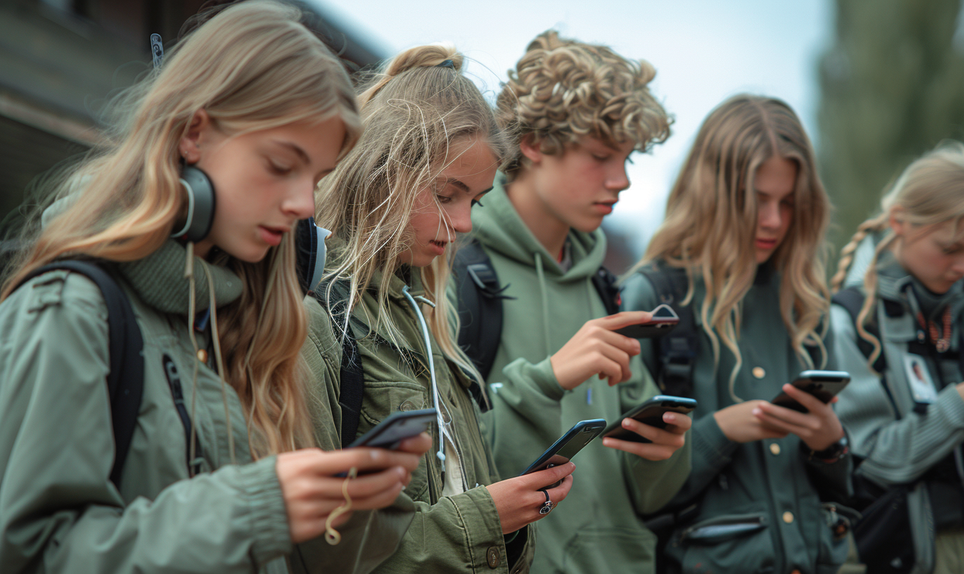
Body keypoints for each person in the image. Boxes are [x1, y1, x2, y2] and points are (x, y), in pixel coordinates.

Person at [0, 2, 429, 573]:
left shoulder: (243, 318)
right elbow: (33, 554)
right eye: (281, 165)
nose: (304, 204)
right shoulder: (69, 310)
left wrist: (340, 501)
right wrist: (253, 510)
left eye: (317, 178)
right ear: (194, 133)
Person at [306, 44, 575, 574]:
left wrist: (507, 524)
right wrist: (484, 519)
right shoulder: (316, 313)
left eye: (473, 201)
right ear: (381, 171)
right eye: (447, 194)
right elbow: (323, 544)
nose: (467, 223)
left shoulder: (428, 312)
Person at [461, 31, 691, 574]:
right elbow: (450, 475)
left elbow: (653, 496)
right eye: (600, 156)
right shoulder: (456, 268)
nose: (623, 180)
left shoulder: (603, 286)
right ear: (534, 142)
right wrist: (548, 380)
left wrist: (664, 451)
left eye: (629, 157)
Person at [620, 94, 853, 573]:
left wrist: (832, 445)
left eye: (788, 203)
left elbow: (840, 491)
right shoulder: (651, 296)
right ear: (713, 193)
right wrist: (721, 430)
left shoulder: (808, 303)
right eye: (757, 200)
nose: (773, 221)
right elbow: (632, 490)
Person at [831, 143, 964, 574]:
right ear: (899, 221)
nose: (963, 266)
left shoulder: (961, 320)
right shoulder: (848, 322)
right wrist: (960, 403)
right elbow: (869, 465)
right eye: (951, 248)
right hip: (887, 555)